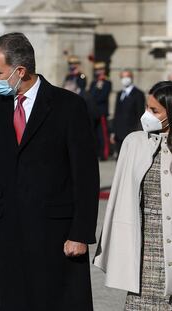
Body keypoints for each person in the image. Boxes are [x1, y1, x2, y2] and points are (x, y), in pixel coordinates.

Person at [0, 32, 99, 310]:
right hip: (10, 233)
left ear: (20, 71)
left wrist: (80, 232)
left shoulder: (69, 106)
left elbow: (86, 176)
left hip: (57, 235)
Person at [94, 81, 172, 309]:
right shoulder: (134, 143)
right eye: (147, 108)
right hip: (145, 251)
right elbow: (119, 200)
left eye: (155, 110)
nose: (147, 115)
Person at [110, 69, 146, 155]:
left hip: (131, 132)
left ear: (131, 77)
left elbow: (140, 113)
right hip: (119, 133)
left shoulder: (138, 94)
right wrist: (113, 131)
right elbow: (116, 113)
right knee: (119, 157)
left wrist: (139, 131)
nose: (125, 79)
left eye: (127, 76)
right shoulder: (119, 94)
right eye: (123, 77)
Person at [90, 61, 112, 160]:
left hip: (101, 111)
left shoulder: (107, 82)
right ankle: (95, 152)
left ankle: (104, 154)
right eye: (97, 70)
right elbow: (90, 95)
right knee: (93, 134)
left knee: (102, 134)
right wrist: (97, 88)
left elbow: (102, 97)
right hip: (93, 112)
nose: (98, 72)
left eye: (100, 70)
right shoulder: (94, 83)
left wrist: (99, 88)